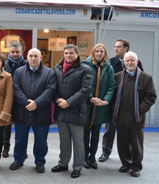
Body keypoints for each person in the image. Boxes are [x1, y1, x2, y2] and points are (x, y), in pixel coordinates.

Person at [9, 48, 56, 173]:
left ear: (41, 58)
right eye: (31, 56)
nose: (33, 58)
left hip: (41, 112)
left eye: (36, 56)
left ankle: (40, 162)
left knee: (41, 141)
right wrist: (27, 103)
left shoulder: (49, 73)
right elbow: (16, 88)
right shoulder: (19, 72)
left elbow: (50, 90)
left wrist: (36, 103)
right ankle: (18, 159)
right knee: (20, 139)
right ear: (27, 57)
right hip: (22, 111)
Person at [51, 44, 93, 178]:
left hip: (77, 111)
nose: (68, 56)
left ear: (77, 54)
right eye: (66, 53)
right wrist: (57, 100)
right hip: (61, 111)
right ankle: (63, 163)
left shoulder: (85, 69)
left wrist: (68, 102)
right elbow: (53, 87)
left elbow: (85, 90)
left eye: (71, 53)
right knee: (64, 141)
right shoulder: (57, 68)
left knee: (78, 141)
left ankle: (77, 167)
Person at [99, 38, 144, 162]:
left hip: (129, 104)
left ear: (126, 48)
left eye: (118, 47)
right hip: (114, 103)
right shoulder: (110, 62)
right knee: (110, 129)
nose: (115, 49)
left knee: (129, 133)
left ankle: (129, 157)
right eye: (115, 46)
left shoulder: (136, 62)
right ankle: (105, 152)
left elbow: (141, 82)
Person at [113, 51, 156, 177]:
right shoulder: (118, 77)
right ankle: (125, 163)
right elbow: (113, 96)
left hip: (137, 117)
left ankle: (136, 167)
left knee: (137, 145)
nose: (130, 63)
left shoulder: (146, 78)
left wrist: (140, 110)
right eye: (127, 60)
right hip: (121, 117)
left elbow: (151, 96)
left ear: (136, 62)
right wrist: (113, 108)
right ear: (124, 62)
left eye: (132, 60)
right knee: (122, 143)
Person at [83, 44, 115, 170]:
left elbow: (111, 85)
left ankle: (92, 157)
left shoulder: (108, 67)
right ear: (93, 52)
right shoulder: (86, 65)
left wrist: (105, 100)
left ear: (105, 53)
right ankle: (85, 157)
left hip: (101, 106)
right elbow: (84, 84)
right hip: (87, 104)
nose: (99, 53)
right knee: (85, 133)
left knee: (96, 134)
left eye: (102, 51)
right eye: (97, 51)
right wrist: (91, 97)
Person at [2, 43, 27, 158]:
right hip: (7, 100)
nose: (15, 54)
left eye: (17, 52)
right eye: (13, 52)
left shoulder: (27, 65)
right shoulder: (4, 65)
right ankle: (5, 147)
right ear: (9, 53)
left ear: (22, 52)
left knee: (22, 128)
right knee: (6, 126)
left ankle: (22, 150)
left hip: (22, 100)